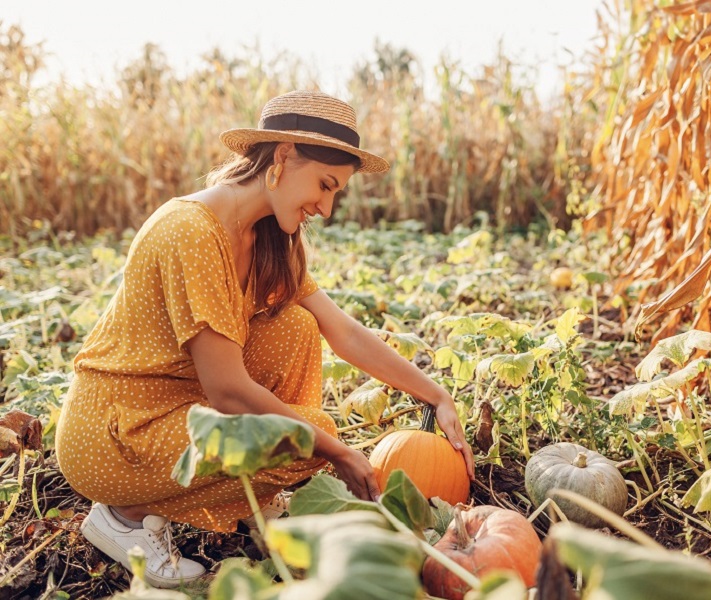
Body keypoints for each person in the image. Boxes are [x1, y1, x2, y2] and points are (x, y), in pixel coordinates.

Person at [55, 90, 475, 588]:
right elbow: (228, 390)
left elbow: (342, 331)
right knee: (310, 437)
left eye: (336, 191)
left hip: (174, 408)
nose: (326, 206)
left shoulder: (264, 239)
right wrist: (335, 451)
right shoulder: (190, 229)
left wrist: (436, 393)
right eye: (324, 184)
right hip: (114, 433)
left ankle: (252, 498)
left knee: (297, 327)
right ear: (283, 155)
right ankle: (123, 518)